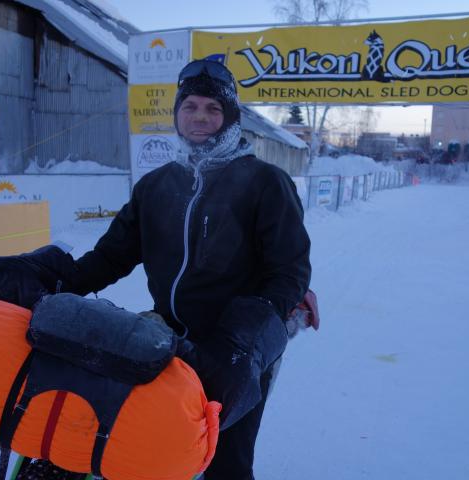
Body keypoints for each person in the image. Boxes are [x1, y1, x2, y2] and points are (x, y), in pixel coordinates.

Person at [67, 59, 312, 479]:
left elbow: (288, 271)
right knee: (153, 447)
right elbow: (111, 257)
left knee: (225, 460)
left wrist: (244, 341)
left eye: (213, 109)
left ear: (230, 117)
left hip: (240, 350)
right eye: (191, 106)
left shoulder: (266, 182)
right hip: (166, 341)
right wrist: (52, 280)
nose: (200, 117)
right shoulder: (156, 185)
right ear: (177, 114)